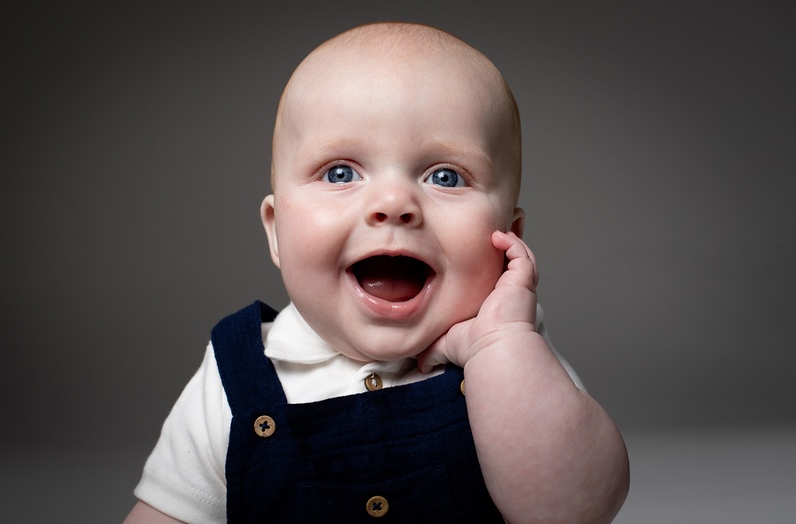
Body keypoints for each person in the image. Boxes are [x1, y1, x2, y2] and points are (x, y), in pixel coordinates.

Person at [124, 22, 629, 523]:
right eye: (340, 173)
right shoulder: (238, 371)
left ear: (507, 238)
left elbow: (575, 511)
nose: (393, 203)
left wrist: (502, 346)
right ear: (277, 232)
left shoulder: (509, 358)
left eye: (446, 176)